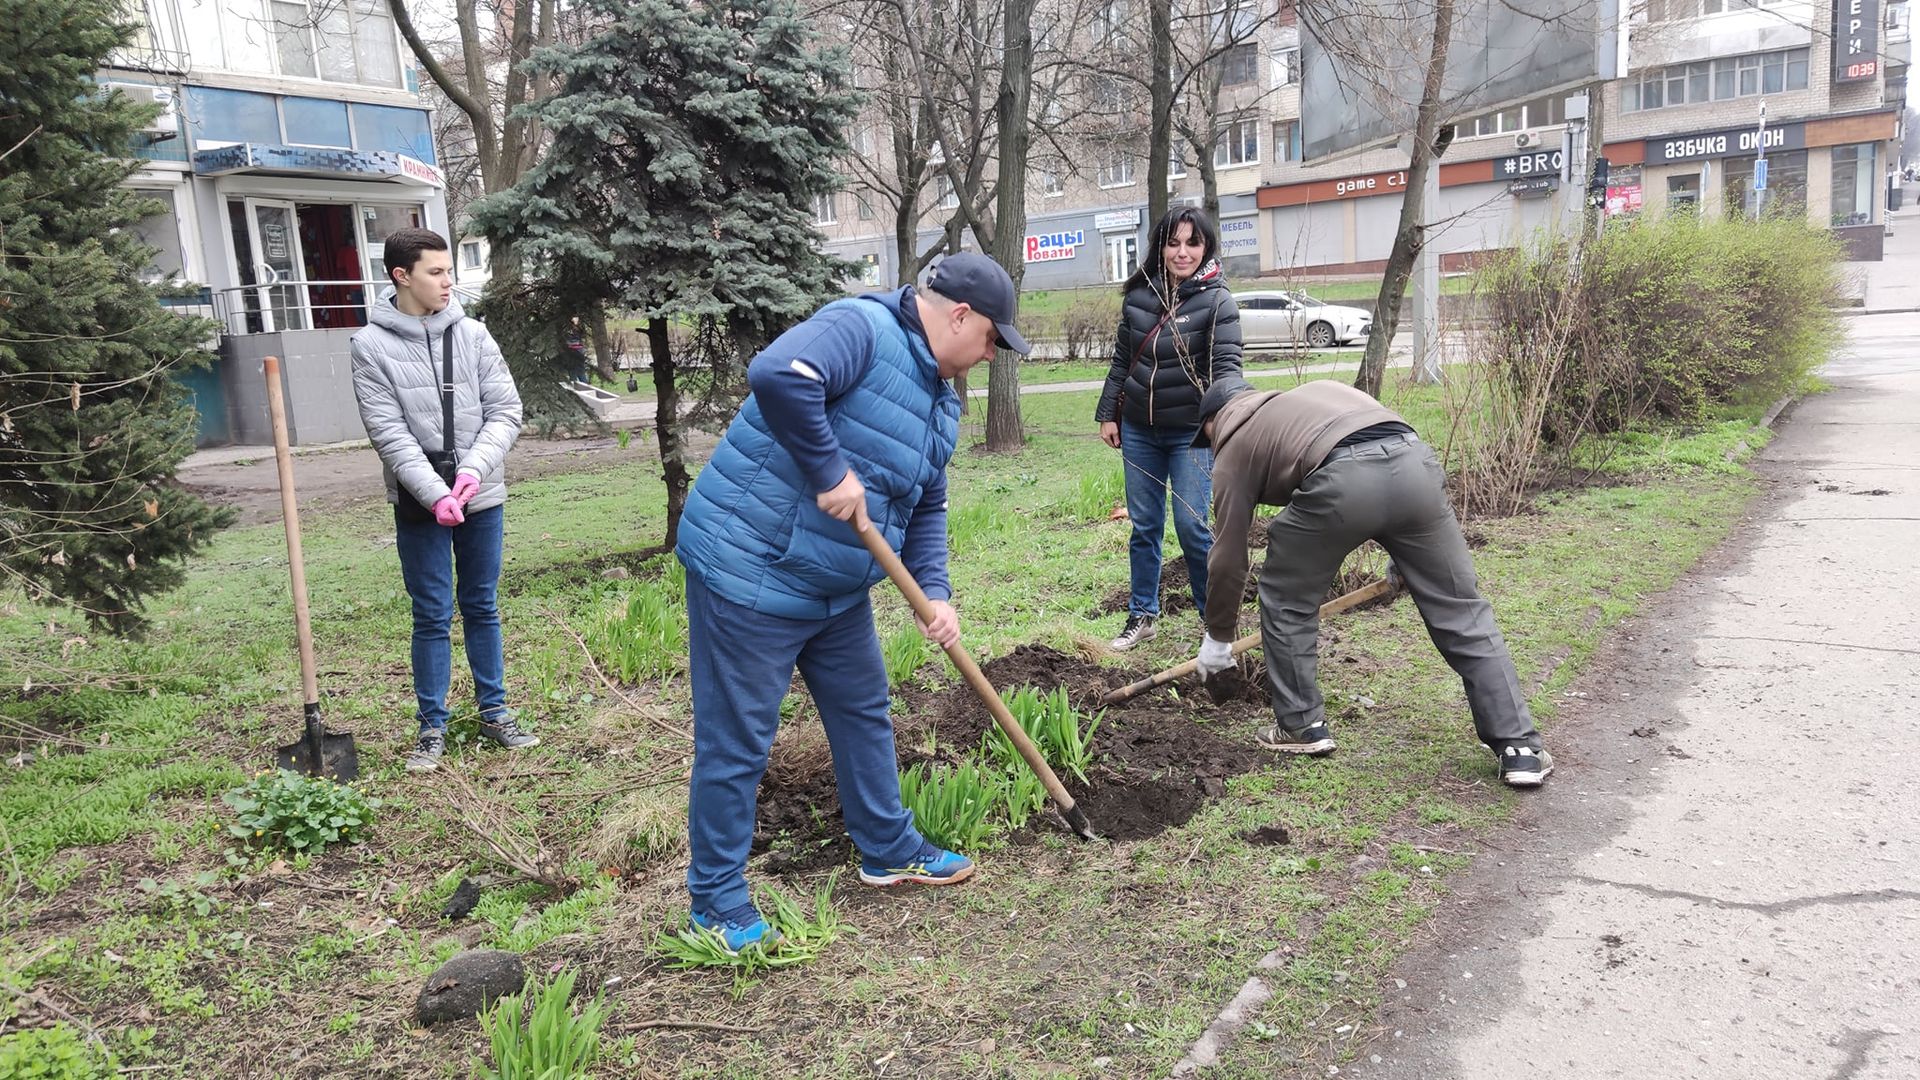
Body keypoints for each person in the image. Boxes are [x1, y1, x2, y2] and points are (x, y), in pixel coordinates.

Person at [674, 253, 1027, 953]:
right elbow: (780, 376)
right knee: (739, 740)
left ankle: (887, 846)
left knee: (865, 711)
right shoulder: (858, 329)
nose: (990, 354)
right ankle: (715, 899)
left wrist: (935, 593)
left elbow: (926, 502)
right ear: (959, 315)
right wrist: (830, 470)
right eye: (991, 338)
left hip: (832, 587)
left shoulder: (939, 400)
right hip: (751, 570)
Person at [1189, 376, 1553, 788]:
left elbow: (1228, 555)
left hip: (1341, 481)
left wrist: (1218, 638)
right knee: (1462, 610)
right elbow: (1387, 457)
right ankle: (1520, 748)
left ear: (1212, 422)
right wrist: (1410, 558)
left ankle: (1300, 725)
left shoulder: (1234, 444)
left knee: (1285, 597)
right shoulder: (1318, 392)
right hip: (1415, 467)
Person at [350, 227, 534, 773]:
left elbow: (506, 411)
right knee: (431, 612)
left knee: (482, 604)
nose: (448, 281)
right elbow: (388, 434)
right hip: (419, 499)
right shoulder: (370, 346)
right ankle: (433, 726)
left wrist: (474, 473)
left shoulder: (474, 335)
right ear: (400, 276)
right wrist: (434, 494)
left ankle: (495, 711)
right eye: (436, 272)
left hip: (481, 492)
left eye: (450, 270)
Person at [1095, 207, 1243, 651]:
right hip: (1140, 430)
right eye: (1173, 242)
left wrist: (1222, 424)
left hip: (1191, 435)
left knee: (1192, 526)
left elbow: (1227, 372)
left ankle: (1212, 621)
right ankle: (1143, 615)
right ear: (1160, 245)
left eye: (1192, 243)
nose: (1182, 252)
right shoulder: (1140, 295)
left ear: (1206, 248)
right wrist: (1109, 412)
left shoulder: (1218, 302)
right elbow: (1123, 359)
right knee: (1144, 526)